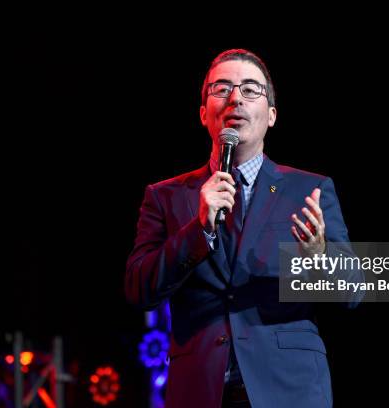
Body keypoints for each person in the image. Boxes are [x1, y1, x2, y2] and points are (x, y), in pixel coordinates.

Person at [126, 49, 360, 408]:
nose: (235, 97)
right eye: (222, 88)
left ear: (271, 115)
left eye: (251, 89)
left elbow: (352, 292)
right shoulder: (165, 196)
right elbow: (139, 289)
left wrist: (319, 256)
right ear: (204, 114)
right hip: (200, 389)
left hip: (289, 388)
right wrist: (198, 230)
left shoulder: (308, 190)